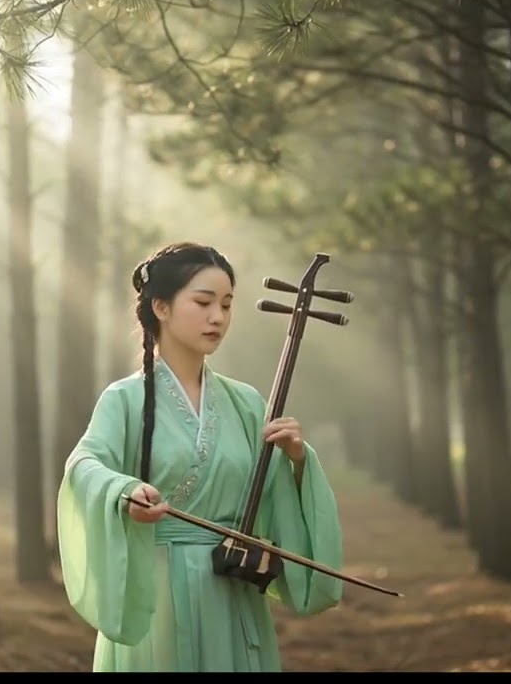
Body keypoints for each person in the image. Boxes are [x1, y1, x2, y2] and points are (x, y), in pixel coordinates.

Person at [56, 241, 345, 672]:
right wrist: (124, 491)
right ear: (162, 307)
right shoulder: (125, 399)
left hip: (230, 590)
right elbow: (83, 465)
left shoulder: (246, 403)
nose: (218, 317)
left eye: (227, 305)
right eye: (203, 302)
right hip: (157, 592)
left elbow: (271, 495)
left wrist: (298, 461)